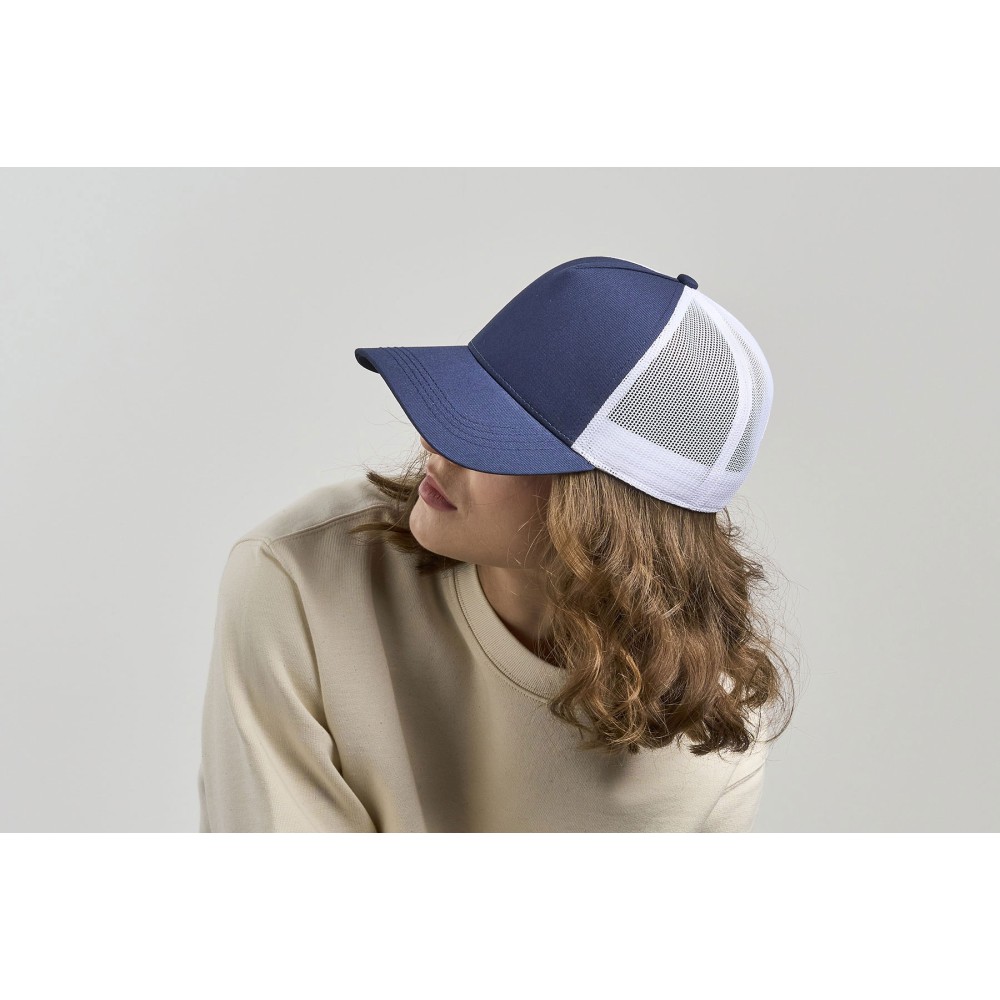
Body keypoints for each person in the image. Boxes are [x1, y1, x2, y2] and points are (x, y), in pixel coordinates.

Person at [197, 256, 796, 832]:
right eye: (462, 400)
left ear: (605, 513)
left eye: (490, 436)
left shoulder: (712, 738)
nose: (433, 445)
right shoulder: (302, 577)